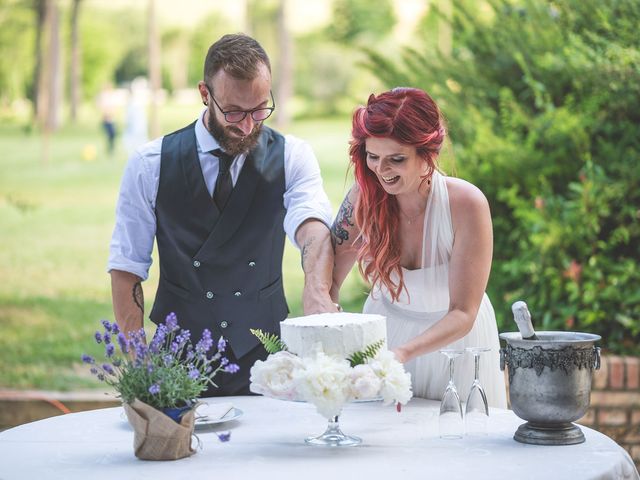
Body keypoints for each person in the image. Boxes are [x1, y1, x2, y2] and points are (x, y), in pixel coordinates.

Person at [108, 33, 337, 396]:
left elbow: (311, 223)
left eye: (260, 109)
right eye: (233, 111)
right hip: (180, 362)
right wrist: (139, 365)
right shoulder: (149, 163)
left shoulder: (293, 155)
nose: (247, 125)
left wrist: (317, 289)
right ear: (204, 93)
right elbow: (127, 266)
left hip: (270, 358)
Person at [330, 87, 507, 407]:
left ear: (428, 157)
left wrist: (402, 354)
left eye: (396, 159)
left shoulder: (466, 204)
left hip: (457, 346)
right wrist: (330, 328)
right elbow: (330, 273)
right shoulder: (364, 198)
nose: (381, 171)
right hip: (385, 337)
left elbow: (464, 312)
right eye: (373, 157)